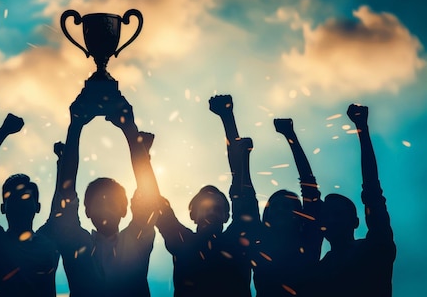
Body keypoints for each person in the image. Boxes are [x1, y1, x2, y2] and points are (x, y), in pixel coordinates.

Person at [41, 94, 161, 297]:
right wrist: (75, 126)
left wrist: (130, 128)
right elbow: (65, 192)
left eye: (112, 202)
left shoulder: (136, 240)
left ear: (125, 209)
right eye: (99, 202)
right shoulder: (77, 243)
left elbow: (149, 196)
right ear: (86, 211)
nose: (106, 207)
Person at [155, 94, 258, 297]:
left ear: (227, 216)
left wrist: (228, 119)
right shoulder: (182, 242)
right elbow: (153, 200)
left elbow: (241, 187)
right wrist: (138, 148)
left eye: (217, 209)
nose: (211, 212)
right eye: (205, 208)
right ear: (193, 214)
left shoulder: (238, 240)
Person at [0, 97, 59, 297]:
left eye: (26, 197)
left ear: (38, 206)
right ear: (3, 207)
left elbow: (64, 196)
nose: (20, 202)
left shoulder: (49, 242)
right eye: (14, 197)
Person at [312, 104, 396, 297]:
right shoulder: (319, 270)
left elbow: (372, 192)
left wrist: (362, 129)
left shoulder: (374, 249)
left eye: (338, 214)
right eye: (327, 216)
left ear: (356, 222)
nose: (331, 220)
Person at [250, 116, 324, 296]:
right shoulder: (258, 243)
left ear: (299, 214)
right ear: (266, 215)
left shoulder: (309, 239)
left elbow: (309, 188)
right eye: (276, 206)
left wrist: (291, 136)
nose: (281, 210)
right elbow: (244, 199)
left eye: (287, 206)